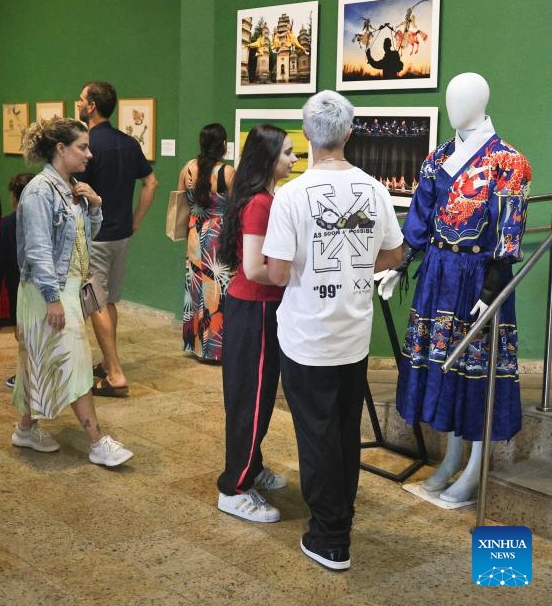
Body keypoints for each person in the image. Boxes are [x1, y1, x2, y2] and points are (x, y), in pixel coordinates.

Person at [263, 90, 403, 571]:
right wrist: (357, 266)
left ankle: (330, 536)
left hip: (306, 337)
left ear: (306, 135)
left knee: (316, 436)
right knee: (344, 432)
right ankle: (342, 516)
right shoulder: (375, 189)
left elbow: (278, 273)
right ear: (348, 132)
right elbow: (394, 254)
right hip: (354, 335)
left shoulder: (291, 195)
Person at [379, 72, 531, 503]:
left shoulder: (509, 162)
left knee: (478, 372)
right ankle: (450, 459)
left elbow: (508, 235)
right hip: (438, 275)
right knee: (443, 365)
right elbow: (420, 218)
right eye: (449, 97)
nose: (453, 105)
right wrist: (400, 265)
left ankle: (474, 470)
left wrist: (494, 287)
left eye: (462, 97)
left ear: (482, 101)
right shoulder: (437, 158)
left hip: (479, 277)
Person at [13, 117, 133, 467]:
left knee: (40, 361)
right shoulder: (39, 191)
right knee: (75, 360)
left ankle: (25, 427)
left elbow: (85, 236)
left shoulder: (73, 186)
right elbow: (37, 250)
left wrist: (95, 205)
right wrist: (51, 298)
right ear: (60, 149)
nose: (89, 154)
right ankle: (97, 440)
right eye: (82, 147)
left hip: (67, 287)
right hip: (46, 290)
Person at [214, 124, 296, 523]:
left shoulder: (256, 196)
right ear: (268, 158)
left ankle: (251, 465)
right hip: (256, 310)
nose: (294, 160)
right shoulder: (261, 202)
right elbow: (254, 267)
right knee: (252, 400)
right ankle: (234, 487)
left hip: (252, 309)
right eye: (288, 154)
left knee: (252, 397)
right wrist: (292, 274)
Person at [75, 81, 158, 396]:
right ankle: (108, 362)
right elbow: (151, 182)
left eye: (81, 99)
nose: (77, 102)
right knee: (107, 301)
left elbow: (75, 192)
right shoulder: (128, 142)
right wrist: (136, 220)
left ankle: (115, 373)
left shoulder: (87, 145)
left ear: (92, 106)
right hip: (121, 235)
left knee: (94, 302)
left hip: (95, 236)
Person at [177, 123, 234, 361]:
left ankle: (195, 345)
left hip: (194, 234)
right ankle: (214, 349)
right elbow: (235, 207)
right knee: (217, 291)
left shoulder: (188, 169)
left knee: (195, 289)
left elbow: (180, 202)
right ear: (223, 145)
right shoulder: (227, 173)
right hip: (218, 235)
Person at [0, 172, 34, 388]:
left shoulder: (8, 223)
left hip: (19, 286)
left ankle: (27, 375)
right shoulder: (52, 217)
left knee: (22, 331)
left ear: (15, 196)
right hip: (47, 285)